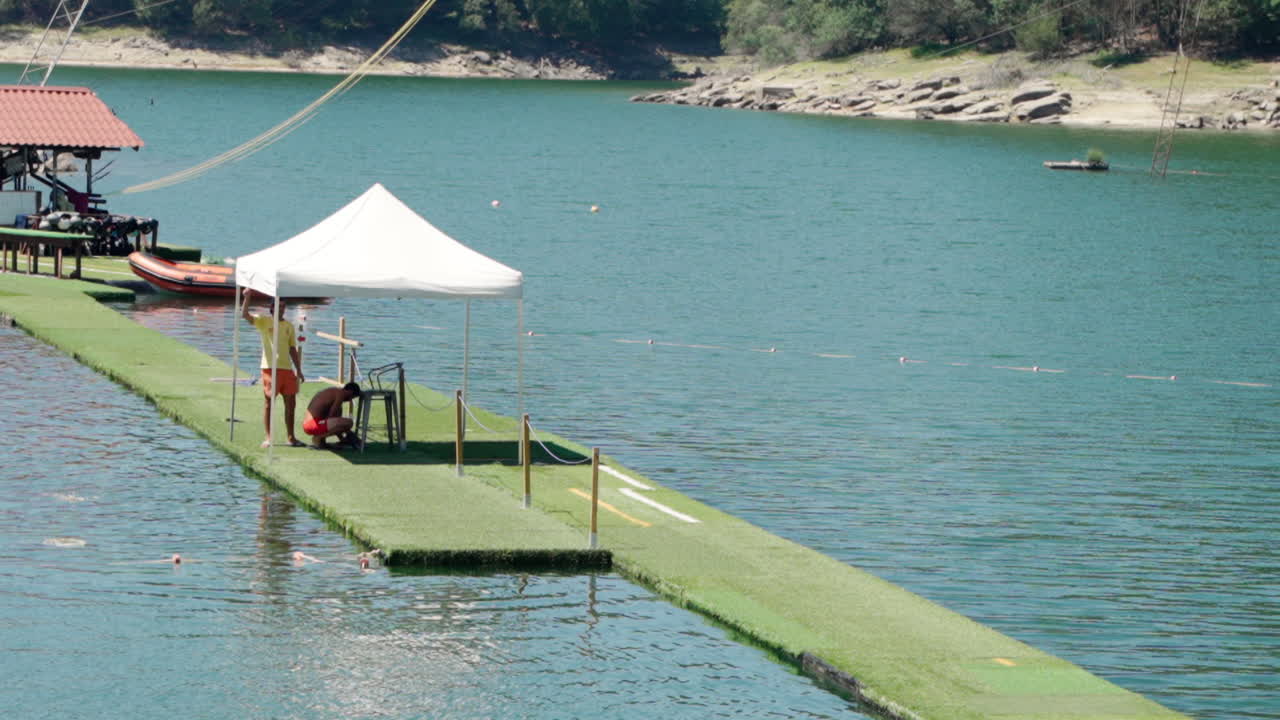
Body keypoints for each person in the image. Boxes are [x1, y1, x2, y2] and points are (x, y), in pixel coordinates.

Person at [242, 288, 305, 448]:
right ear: (271, 308)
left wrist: (299, 369)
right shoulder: (264, 321)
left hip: (287, 369)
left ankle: (291, 437)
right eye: (278, 306)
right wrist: (247, 297)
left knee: (291, 404)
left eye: (283, 306)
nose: (281, 309)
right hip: (270, 368)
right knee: (269, 402)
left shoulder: (289, 326)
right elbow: (245, 315)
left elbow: (292, 348)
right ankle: (269, 438)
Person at [303, 382, 362, 449]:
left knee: (343, 423)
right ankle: (318, 438)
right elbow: (331, 418)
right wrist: (349, 433)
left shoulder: (335, 394)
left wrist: (342, 438)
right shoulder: (340, 393)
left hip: (310, 424)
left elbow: (335, 422)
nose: (350, 400)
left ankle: (321, 438)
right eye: (352, 397)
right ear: (350, 392)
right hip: (313, 424)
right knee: (349, 422)